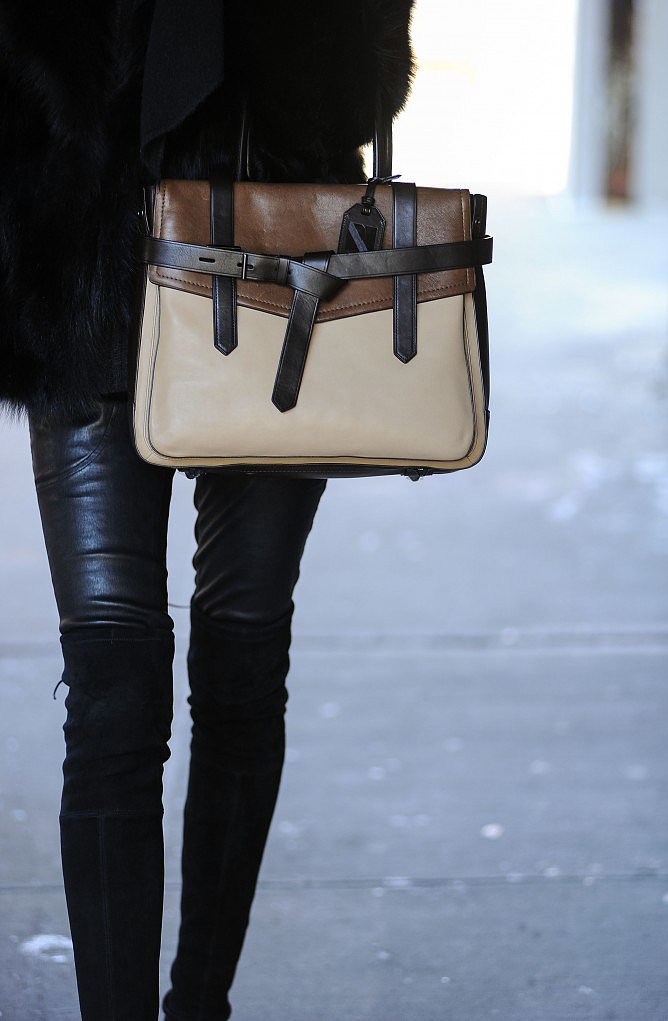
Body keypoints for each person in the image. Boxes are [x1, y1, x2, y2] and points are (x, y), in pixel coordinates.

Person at [0, 1, 415, 1019]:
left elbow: (370, 82)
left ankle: (199, 1002)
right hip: (82, 288)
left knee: (238, 653)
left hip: (279, 282)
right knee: (111, 678)